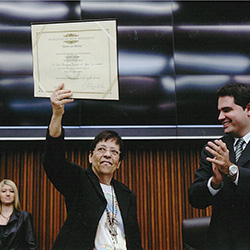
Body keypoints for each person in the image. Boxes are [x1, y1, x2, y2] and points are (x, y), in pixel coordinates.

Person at [42, 83, 143, 250]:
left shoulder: (127, 195)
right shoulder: (80, 181)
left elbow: (134, 239)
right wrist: (57, 114)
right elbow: (54, 161)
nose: (107, 155)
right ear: (90, 156)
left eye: (114, 152)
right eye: (101, 149)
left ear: (118, 163)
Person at [188, 83, 250, 250]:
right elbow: (195, 198)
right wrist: (214, 183)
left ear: (248, 109)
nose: (220, 117)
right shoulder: (215, 148)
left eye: (227, 110)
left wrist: (232, 170)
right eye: (220, 111)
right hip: (221, 244)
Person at [0, 179, 36, 249]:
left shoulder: (24, 217)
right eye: (4, 191)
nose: (8, 194)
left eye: (11, 191)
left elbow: (31, 245)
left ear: (15, 195)